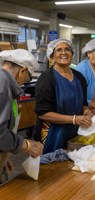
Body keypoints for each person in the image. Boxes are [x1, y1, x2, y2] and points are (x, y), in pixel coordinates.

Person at [34, 38, 92, 154]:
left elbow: (84, 104)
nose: (64, 53)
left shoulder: (79, 77)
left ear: (72, 54)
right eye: (59, 50)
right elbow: (43, 113)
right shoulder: (47, 79)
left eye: (67, 49)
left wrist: (86, 111)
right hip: (53, 134)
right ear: (52, 56)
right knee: (53, 168)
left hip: (75, 133)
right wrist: (74, 119)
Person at [0, 49, 43, 184]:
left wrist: (4, 155)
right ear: (22, 70)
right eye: (28, 77)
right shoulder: (3, 84)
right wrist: (25, 144)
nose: (26, 81)